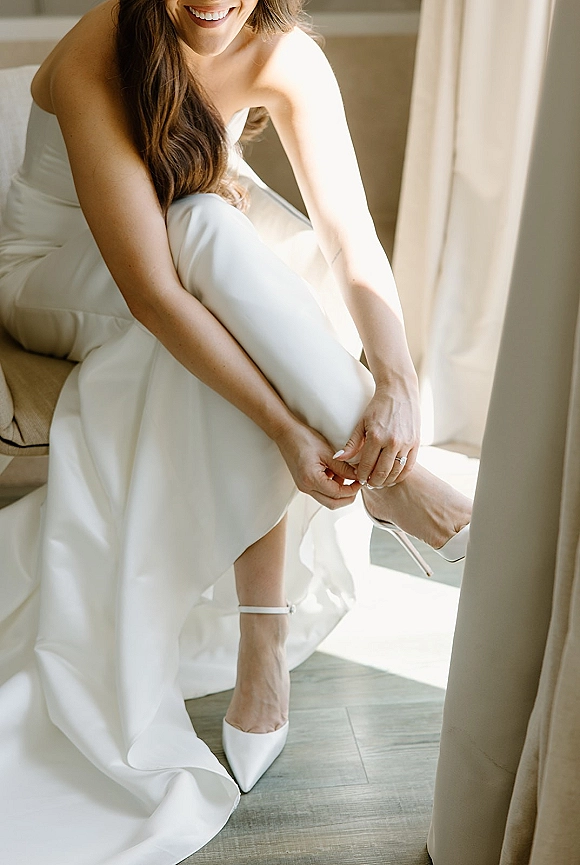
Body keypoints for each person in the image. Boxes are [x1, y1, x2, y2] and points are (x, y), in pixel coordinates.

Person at [0, 1, 472, 862]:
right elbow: (152, 291)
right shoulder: (97, 51)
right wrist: (289, 432)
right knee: (217, 228)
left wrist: (399, 384)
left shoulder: (282, 54)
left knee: (280, 251)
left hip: (179, 245)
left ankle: (270, 640)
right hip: (57, 274)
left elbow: (351, 235)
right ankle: (393, 494)